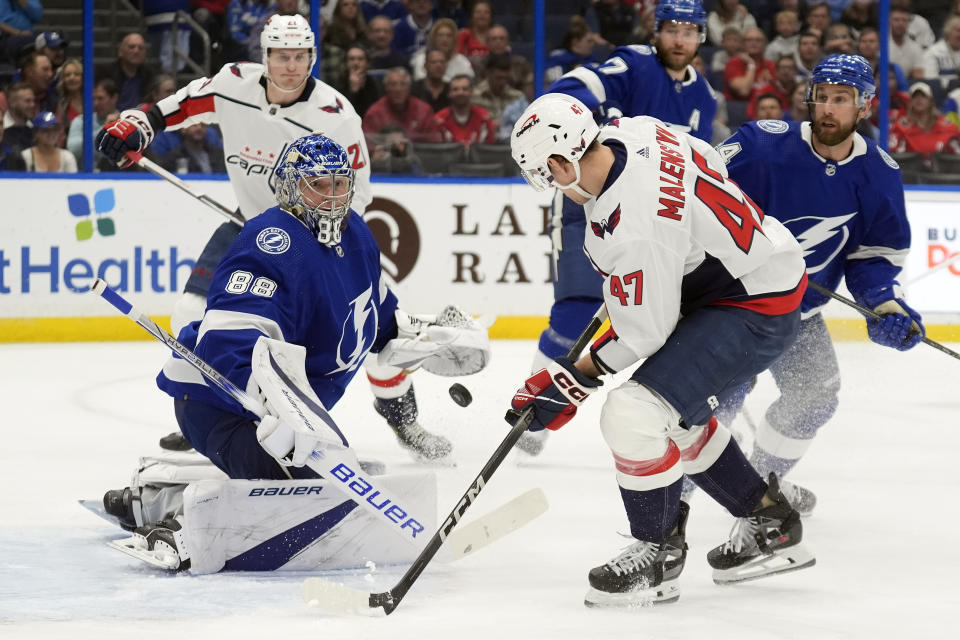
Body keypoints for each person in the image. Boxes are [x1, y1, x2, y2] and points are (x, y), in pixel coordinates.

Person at [102, 133, 489, 572]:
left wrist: (424, 338)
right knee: (316, 487)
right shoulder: (271, 240)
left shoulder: (357, 234)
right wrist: (278, 407)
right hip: (220, 405)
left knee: (332, 481)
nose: (331, 197)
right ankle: (170, 512)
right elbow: (232, 339)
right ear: (289, 187)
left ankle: (170, 488)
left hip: (288, 411)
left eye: (339, 184)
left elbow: (373, 315)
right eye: (317, 185)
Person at [95, 14, 453, 463]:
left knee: (365, 326)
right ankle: (215, 404)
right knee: (190, 310)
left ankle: (403, 418)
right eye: (282, 56)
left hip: (316, 232)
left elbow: (355, 192)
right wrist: (137, 126)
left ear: (313, 58)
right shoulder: (233, 84)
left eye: (300, 57)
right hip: (248, 225)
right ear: (264, 57)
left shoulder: (336, 116)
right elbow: (178, 108)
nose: (291, 66)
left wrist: (328, 242)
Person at [507, 92, 813, 605]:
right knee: (676, 414)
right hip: (754, 275)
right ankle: (768, 520)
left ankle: (657, 553)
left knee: (631, 414)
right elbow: (709, 165)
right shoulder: (636, 130)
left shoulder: (632, 229)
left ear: (562, 161)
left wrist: (572, 378)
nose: (553, 186)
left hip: (752, 305)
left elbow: (644, 333)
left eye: (547, 173)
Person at [709, 54, 924, 515]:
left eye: (841, 100)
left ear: (864, 106)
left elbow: (874, 256)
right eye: (821, 97)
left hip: (797, 315)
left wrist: (886, 306)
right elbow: (697, 189)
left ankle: (761, 486)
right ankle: (671, 517)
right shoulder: (760, 145)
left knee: (815, 397)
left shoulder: (880, 175)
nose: (827, 108)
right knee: (707, 411)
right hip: (730, 310)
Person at [520, 0, 717, 456]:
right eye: (672, 29)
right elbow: (571, 91)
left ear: (701, 37)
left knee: (669, 316)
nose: (680, 39)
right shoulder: (632, 63)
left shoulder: (704, 96)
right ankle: (535, 416)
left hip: (653, 217)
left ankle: (690, 422)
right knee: (576, 312)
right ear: (657, 31)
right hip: (585, 200)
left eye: (690, 31)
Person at [363, 66, 441, 143]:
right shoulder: (374, 113)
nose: (398, 89)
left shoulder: (424, 111)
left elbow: (433, 145)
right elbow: (368, 146)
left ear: (409, 87)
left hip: (419, 155)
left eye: (403, 84)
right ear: (386, 88)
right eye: (393, 84)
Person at [889, 82, 960, 156]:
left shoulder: (946, 125)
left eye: (923, 96)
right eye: (915, 96)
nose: (919, 99)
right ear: (910, 101)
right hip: (910, 166)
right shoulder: (901, 126)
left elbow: (957, 154)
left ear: (931, 101)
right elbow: (893, 154)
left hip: (941, 166)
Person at [67, 77, 119, 170]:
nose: (95, 103)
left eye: (100, 98)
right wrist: (104, 129)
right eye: (93, 99)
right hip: (84, 178)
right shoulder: (81, 121)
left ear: (114, 98)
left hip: (117, 177)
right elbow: (72, 150)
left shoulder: (126, 123)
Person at [95, 32, 156, 112]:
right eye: (131, 47)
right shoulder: (105, 73)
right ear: (120, 52)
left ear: (145, 54)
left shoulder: (150, 75)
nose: (136, 51)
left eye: (140, 48)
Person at [434, 73, 495, 146]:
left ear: (471, 92)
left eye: (465, 89)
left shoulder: (484, 117)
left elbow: (490, 148)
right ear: (449, 93)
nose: (460, 92)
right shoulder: (439, 119)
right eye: (455, 89)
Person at [56, 58, 83, 126]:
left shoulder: (94, 101)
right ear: (63, 79)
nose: (72, 78)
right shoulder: (59, 103)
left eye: (76, 74)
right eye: (67, 75)